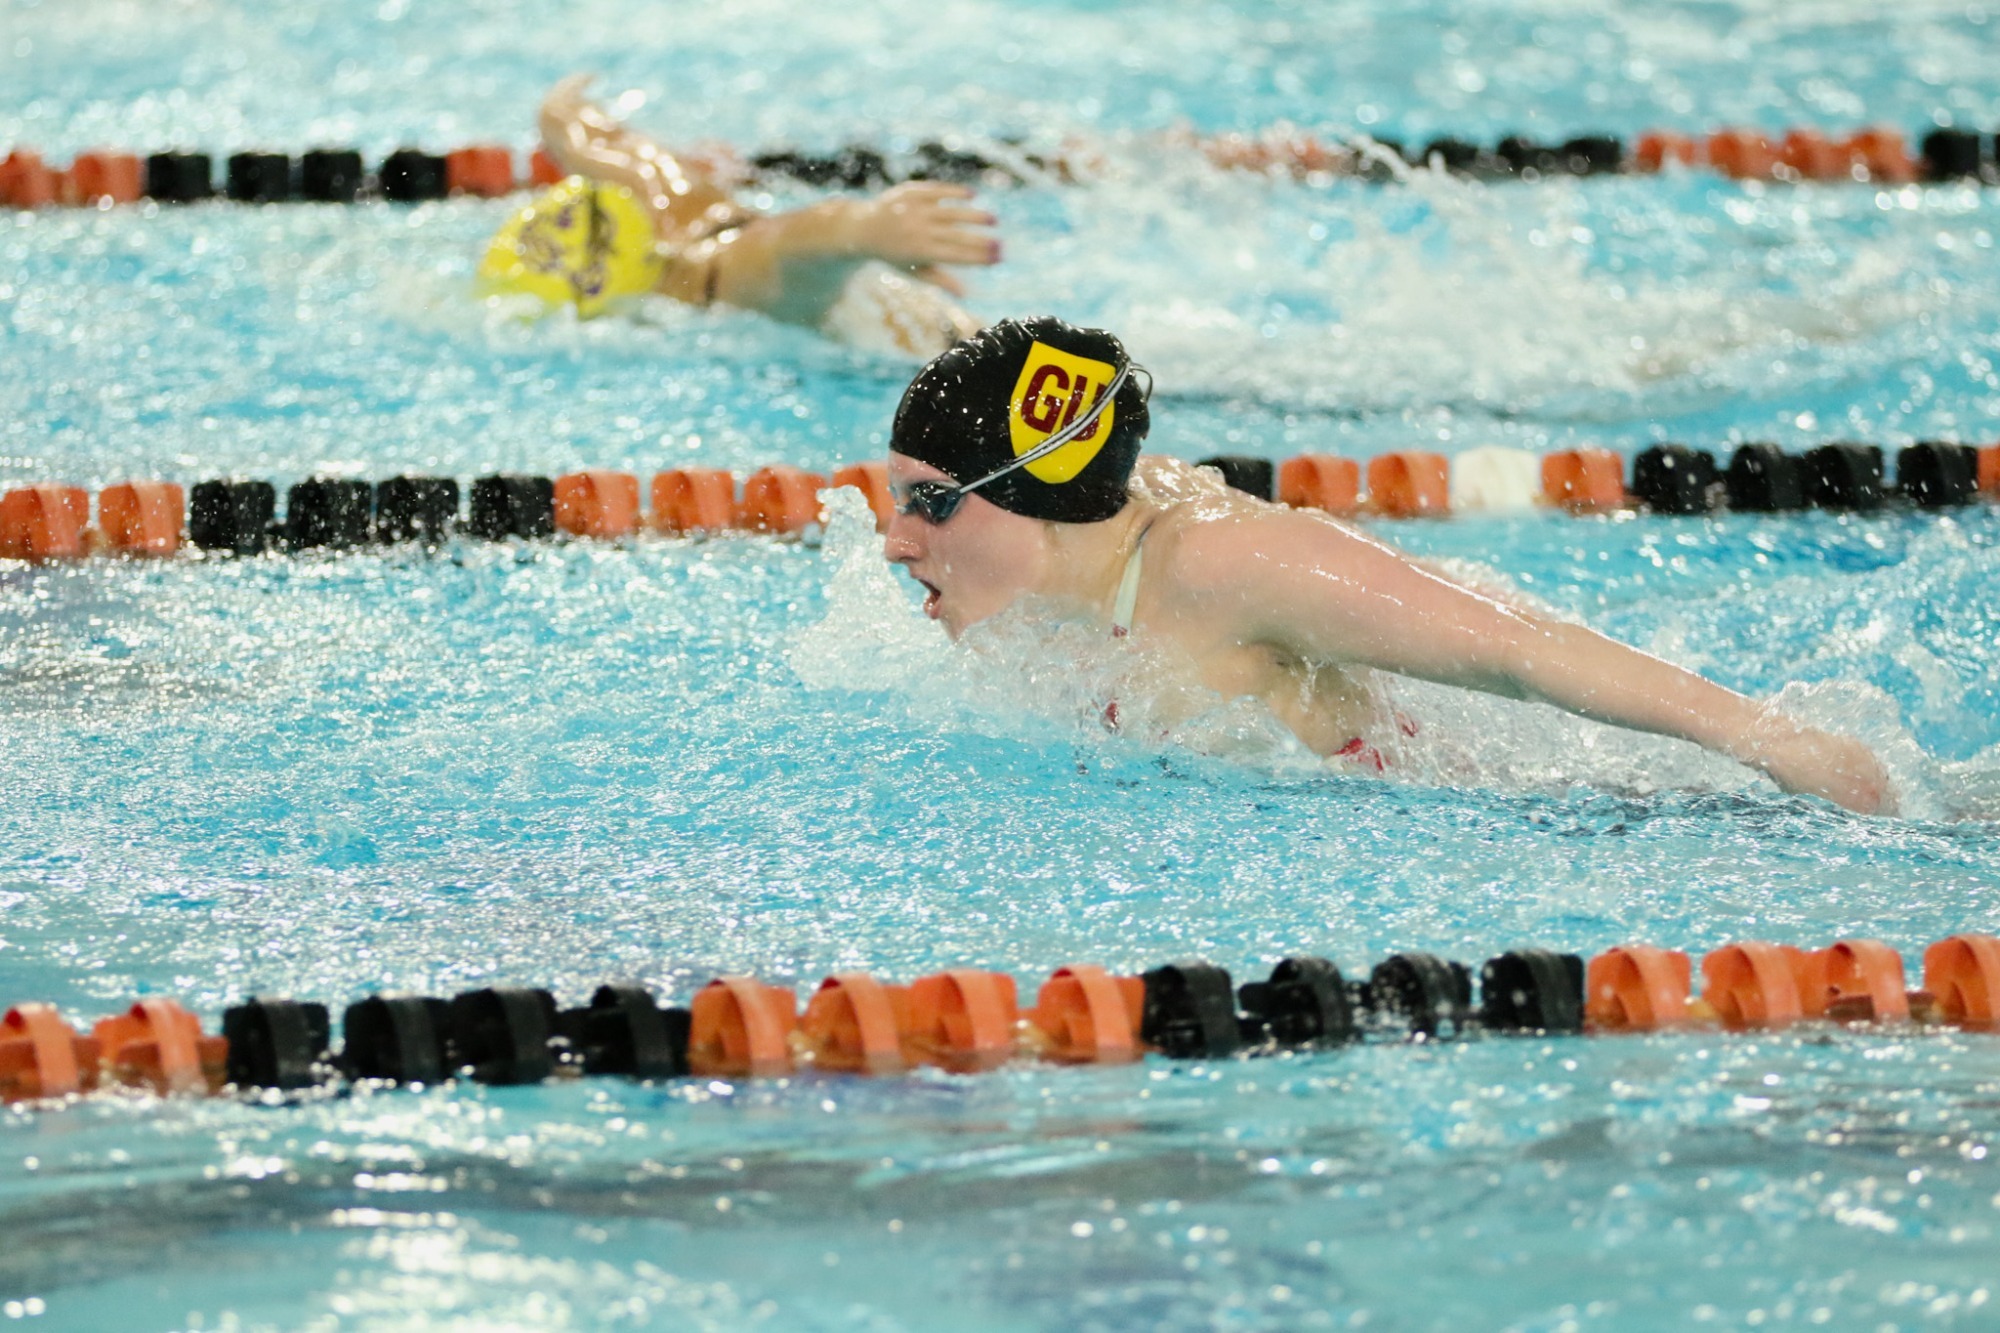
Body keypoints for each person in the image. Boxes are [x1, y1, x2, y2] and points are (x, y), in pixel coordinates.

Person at [880, 315, 1894, 815]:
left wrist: (1773, 742)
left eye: (931, 502)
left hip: (1599, 817)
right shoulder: (1051, 574)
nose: (895, 541)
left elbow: (1519, 651)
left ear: (1039, 498)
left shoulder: (1222, 566)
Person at [479, 75, 998, 356]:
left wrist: (866, 229)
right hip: (894, 298)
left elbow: (789, 242)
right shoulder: (665, 195)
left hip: (938, 347)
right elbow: (587, 136)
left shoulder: (719, 278)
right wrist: (558, 112)